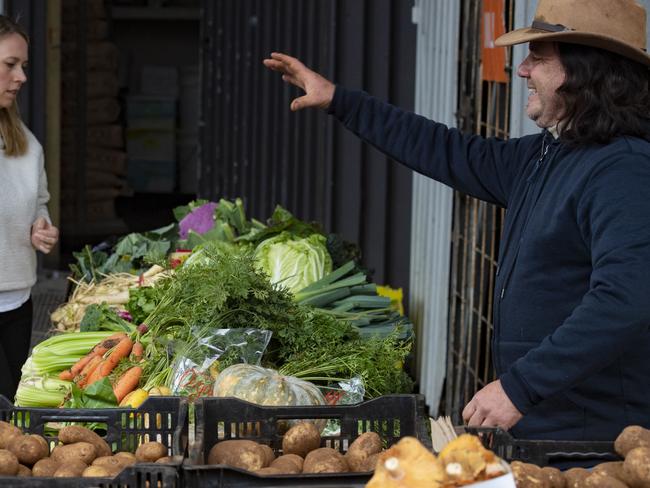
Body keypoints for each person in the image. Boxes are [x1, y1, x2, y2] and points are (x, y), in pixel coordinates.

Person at [264, 0, 650, 452]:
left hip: (597, 442)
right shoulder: (548, 155)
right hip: (549, 429)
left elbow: (626, 297)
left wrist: (519, 386)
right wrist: (340, 101)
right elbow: (448, 150)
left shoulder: (623, 170)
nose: (523, 70)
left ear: (584, 72)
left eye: (539, 58)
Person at [0, 15, 59, 401]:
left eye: (23, 66)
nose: (21, 76)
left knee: (11, 422)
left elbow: (39, 205)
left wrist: (42, 227)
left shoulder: (27, 144)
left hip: (17, 302)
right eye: (10, 65)